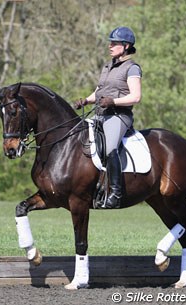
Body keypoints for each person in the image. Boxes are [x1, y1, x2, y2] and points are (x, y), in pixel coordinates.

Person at [74, 26, 142, 208]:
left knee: (110, 148)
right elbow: (100, 90)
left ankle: (116, 194)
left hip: (119, 116)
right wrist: (86, 101)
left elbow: (136, 97)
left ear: (126, 46)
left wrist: (113, 102)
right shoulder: (108, 66)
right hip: (101, 114)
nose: (110, 46)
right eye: (110, 42)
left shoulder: (132, 68)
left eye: (114, 43)